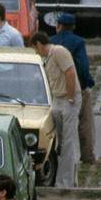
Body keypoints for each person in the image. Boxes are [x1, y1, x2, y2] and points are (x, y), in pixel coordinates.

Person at [31, 31, 81, 187]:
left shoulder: (59, 51)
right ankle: (66, 178)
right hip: (57, 99)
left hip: (67, 99)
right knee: (61, 140)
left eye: (35, 48)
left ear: (39, 44)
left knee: (68, 142)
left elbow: (70, 73)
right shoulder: (47, 58)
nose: (36, 52)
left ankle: (66, 182)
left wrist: (71, 98)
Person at [51, 13, 96, 164]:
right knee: (85, 122)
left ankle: (58, 151)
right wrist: (87, 83)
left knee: (57, 124)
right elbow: (83, 67)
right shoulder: (78, 42)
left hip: (56, 90)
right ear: (74, 27)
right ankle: (87, 155)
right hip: (77, 89)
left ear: (58, 26)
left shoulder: (52, 42)